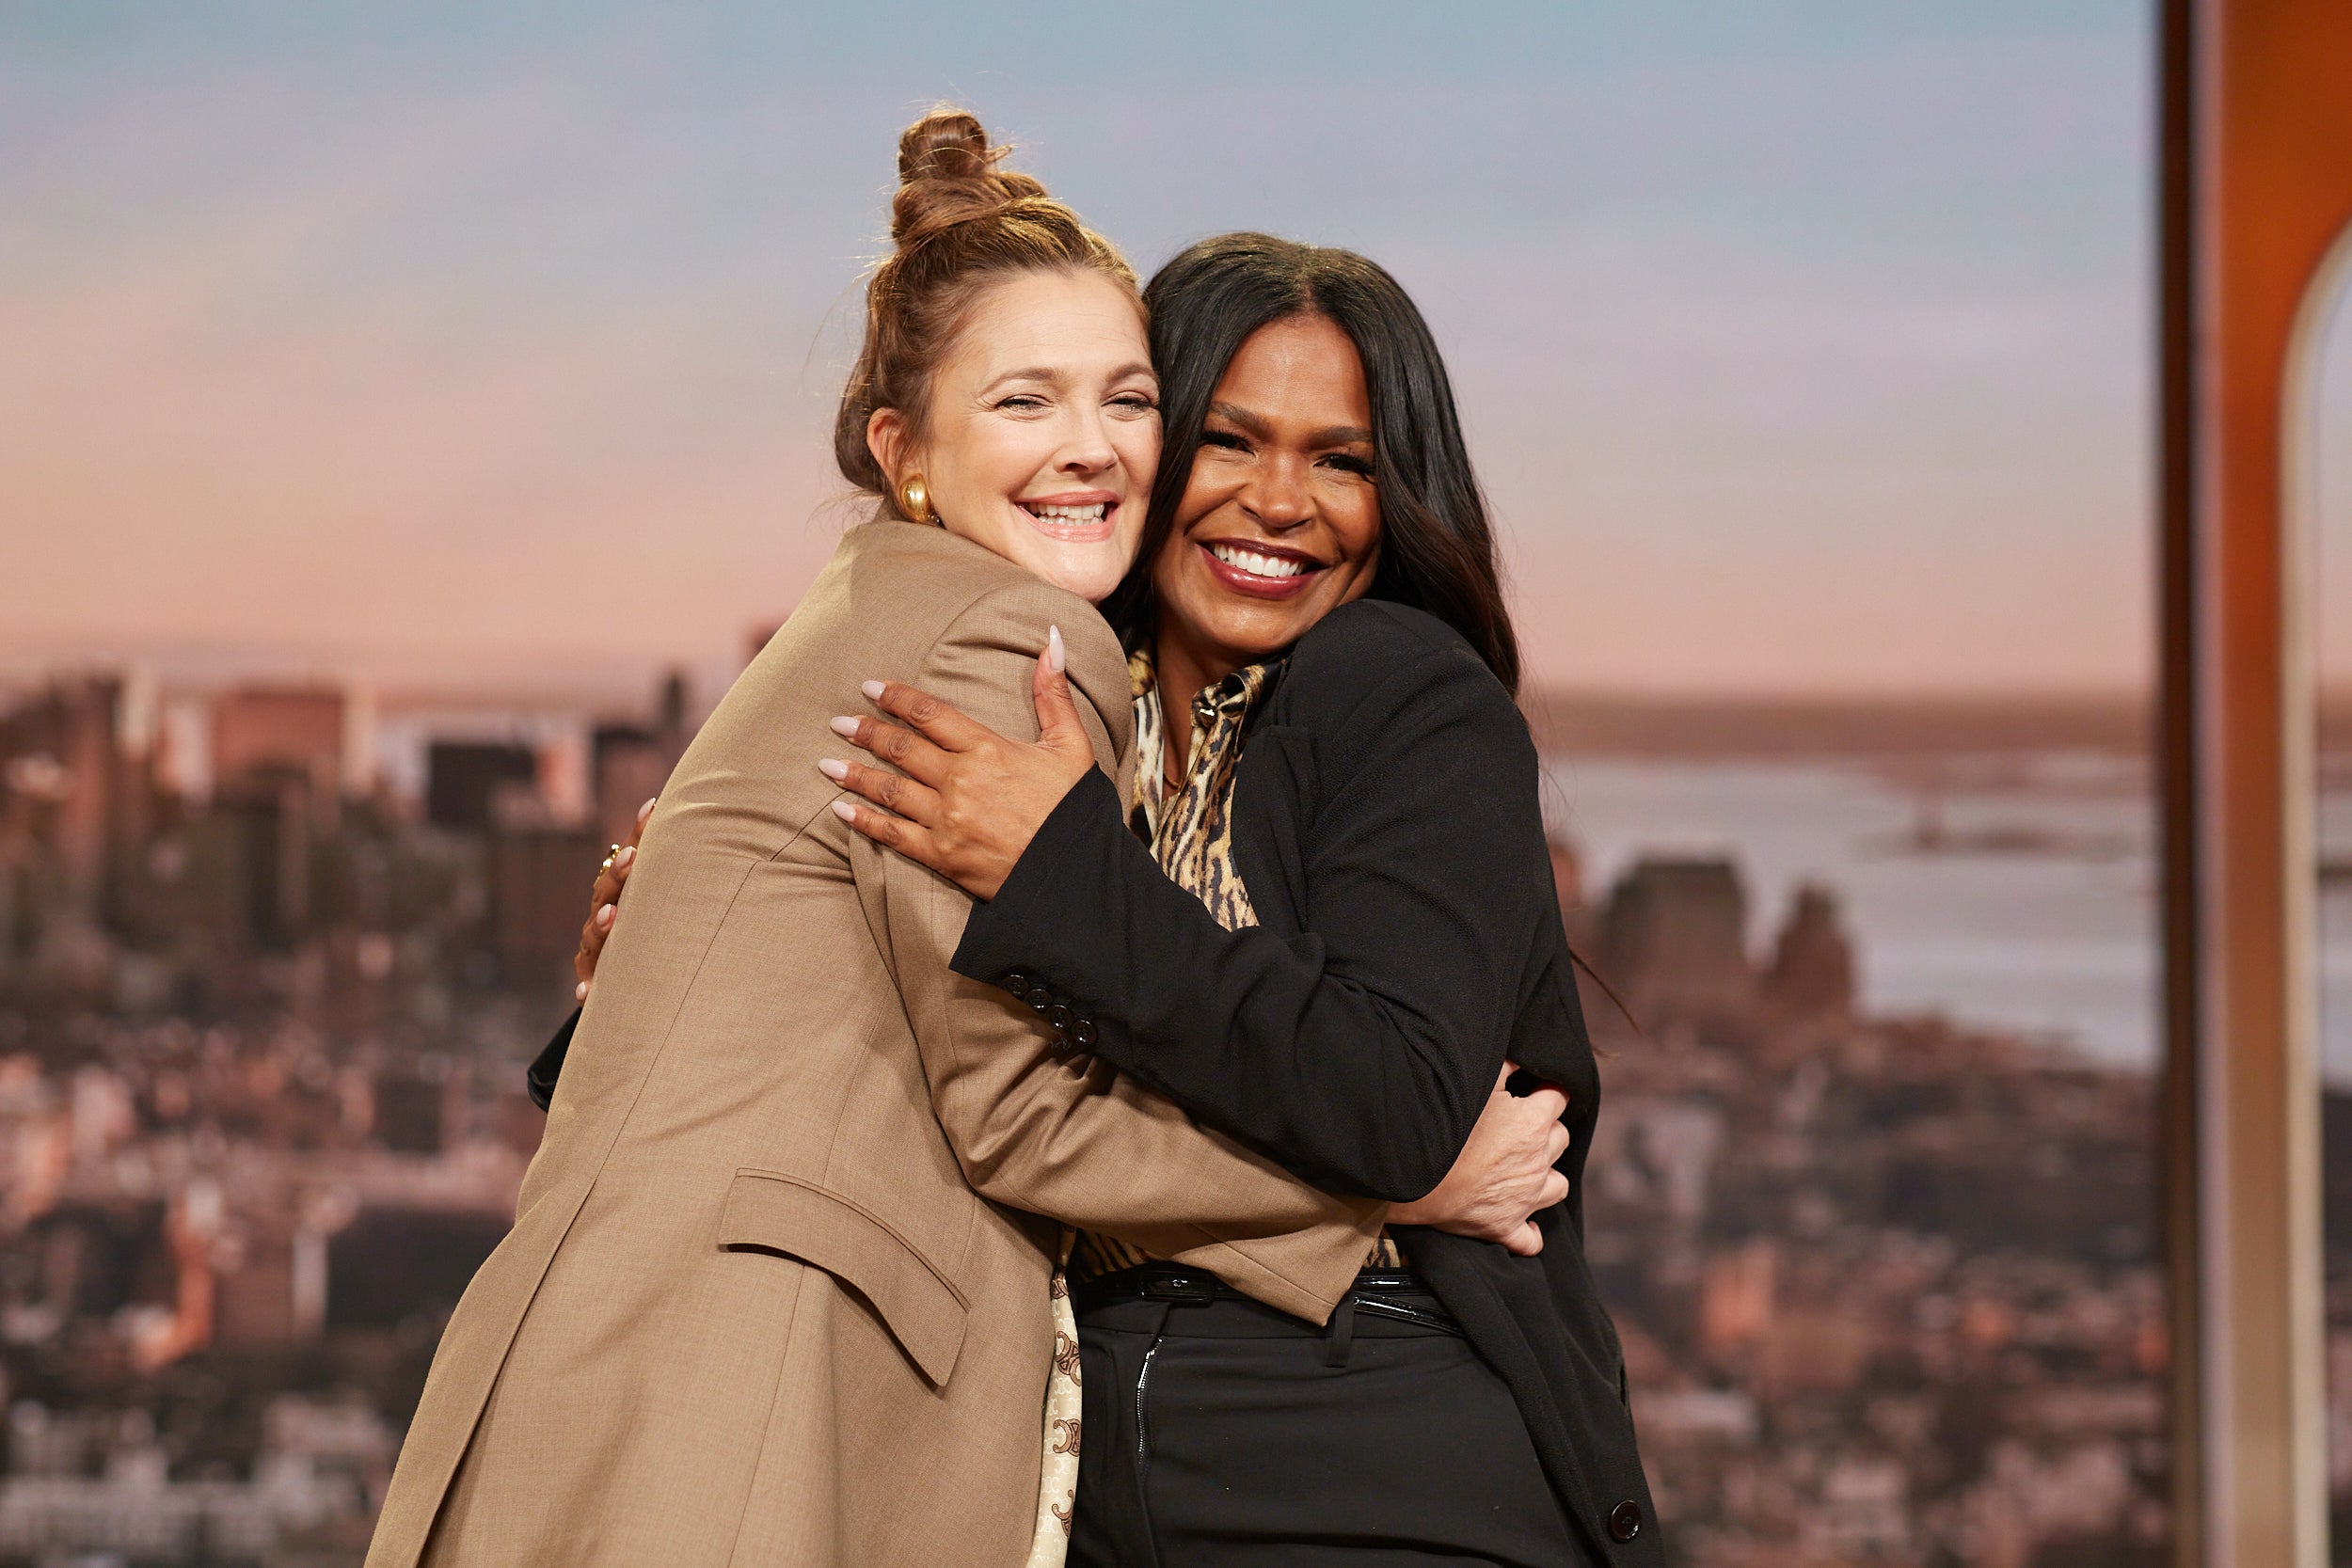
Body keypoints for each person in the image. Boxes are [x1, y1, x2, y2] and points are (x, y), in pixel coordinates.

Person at [366, 112, 1560, 1568]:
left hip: (636, 1369)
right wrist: (1397, 1194)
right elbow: (1020, 1116)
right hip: (748, 1387)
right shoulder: (1013, 640)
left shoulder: (885, 606)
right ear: (905, 449)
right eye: (1027, 402)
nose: (1093, 447)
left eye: (1125, 401)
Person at [822, 234, 1661, 1565]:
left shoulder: (1404, 694)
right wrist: (628, 969)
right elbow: (921, 1066)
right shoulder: (1042, 697)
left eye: (1343, 462)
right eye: (1229, 440)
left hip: (1364, 1440)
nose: (1280, 503)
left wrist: (1065, 877)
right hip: (1062, 1460)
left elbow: (1394, 1101)